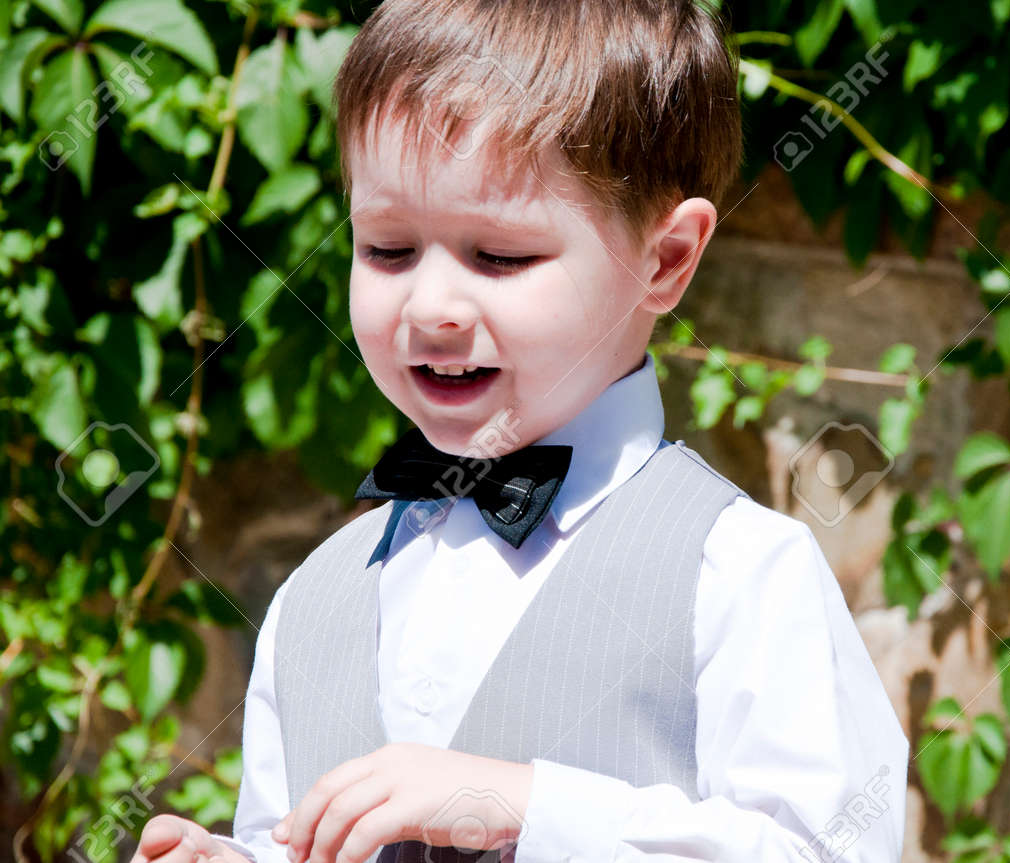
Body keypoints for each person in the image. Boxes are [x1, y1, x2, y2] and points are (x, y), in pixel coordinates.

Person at [130, 1, 908, 861]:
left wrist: (529, 806)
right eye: (387, 248)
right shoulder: (314, 601)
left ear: (666, 259)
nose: (430, 307)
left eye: (498, 257)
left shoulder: (739, 575)